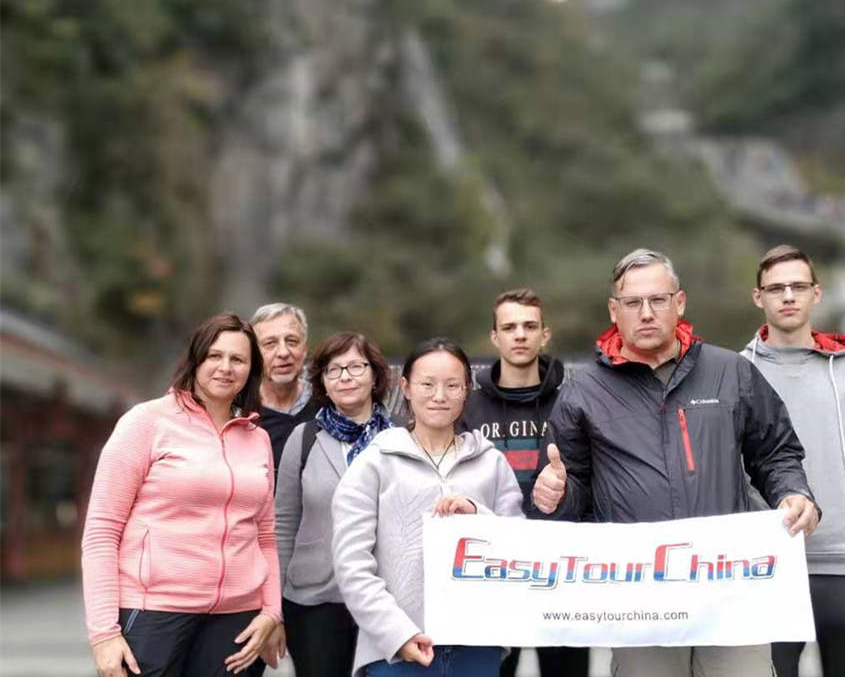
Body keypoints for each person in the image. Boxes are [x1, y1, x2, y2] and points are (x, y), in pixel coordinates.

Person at [532, 248, 819, 677]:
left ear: (679, 303)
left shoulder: (731, 372)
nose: (646, 312)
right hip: (640, 606)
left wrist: (794, 492)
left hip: (730, 595)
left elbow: (776, 453)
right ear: (614, 310)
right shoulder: (582, 391)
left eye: (658, 300)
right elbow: (573, 494)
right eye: (632, 303)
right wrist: (554, 496)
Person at [82, 313, 281, 677]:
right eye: (214, 356)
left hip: (236, 620)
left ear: (251, 370)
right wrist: (103, 634)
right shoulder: (146, 422)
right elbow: (101, 532)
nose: (225, 368)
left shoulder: (258, 439)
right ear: (195, 360)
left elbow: (265, 535)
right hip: (153, 613)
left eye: (238, 359)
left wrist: (271, 611)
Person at [744, 244, 845, 677]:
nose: (788, 296)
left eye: (798, 286)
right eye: (776, 288)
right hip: (767, 570)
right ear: (759, 297)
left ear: (817, 293)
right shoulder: (734, 374)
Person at [332, 337, 523, 677]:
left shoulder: (492, 463)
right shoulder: (373, 463)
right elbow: (352, 564)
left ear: (467, 390)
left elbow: (519, 550)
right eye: (427, 384)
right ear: (405, 387)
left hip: (476, 647)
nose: (439, 396)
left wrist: (478, 516)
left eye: (452, 385)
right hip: (395, 654)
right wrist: (397, 634)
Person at [460, 288, 589, 677]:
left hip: (562, 573)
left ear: (544, 335)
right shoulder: (468, 406)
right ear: (495, 337)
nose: (520, 335)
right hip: (493, 573)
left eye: (529, 326)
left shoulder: (574, 401)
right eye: (510, 327)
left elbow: (590, 477)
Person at [272, 331, 394, 677]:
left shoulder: (399, 439)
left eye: (356, 366)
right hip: (314, 602)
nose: (345, 376)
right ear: (322, 383)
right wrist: (274, 606)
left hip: (383, 599)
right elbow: (283, 523)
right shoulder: (304, 437)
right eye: (334, 369)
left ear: (375, 376)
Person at [251, 303, 316, 471]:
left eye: (292, 341)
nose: (283, 352)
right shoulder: (240, 411)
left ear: (305, 350)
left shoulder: (328, 404)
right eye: (270, 344)